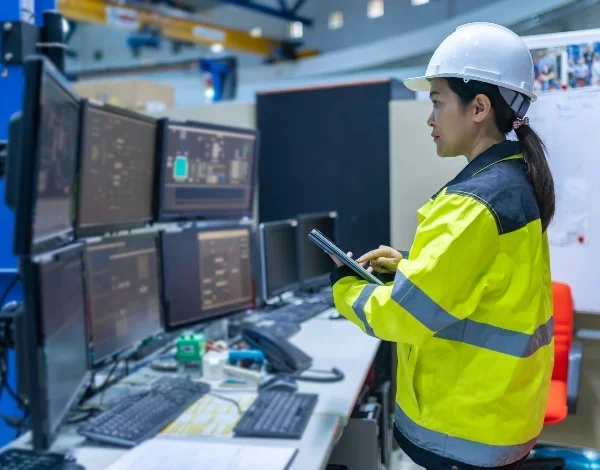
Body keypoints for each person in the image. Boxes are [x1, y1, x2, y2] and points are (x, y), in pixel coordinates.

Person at [329, 23, 554, 470]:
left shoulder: (473, 204)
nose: (430, 119)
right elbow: (483, 285)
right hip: (497, 416)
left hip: (461, 433)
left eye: (437, 103)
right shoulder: (512, 179)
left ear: (479, 108)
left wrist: (344, 287)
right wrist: (412, 266)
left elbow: (405, 318)